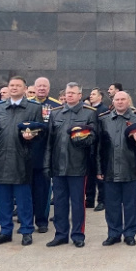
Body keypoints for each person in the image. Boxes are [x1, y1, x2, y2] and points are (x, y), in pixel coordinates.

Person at [0, 76, 45, 247]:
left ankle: (27, 230)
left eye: (18, 85)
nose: (14, 88)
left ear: (25, 89)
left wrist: (32, 136)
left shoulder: (34, 108)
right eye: (11, 85)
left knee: (23, 199)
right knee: (3, 199)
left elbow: (41, 132)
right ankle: (5, 231)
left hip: (22, 159)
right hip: (2, 158)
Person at [45, 83, 98, 248]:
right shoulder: (56, 113)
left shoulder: (89, 113)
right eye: (68, 93)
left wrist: (83, 139)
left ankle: (78, 235)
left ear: (80, 95)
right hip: (58, 166)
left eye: (73, 93)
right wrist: (47, 164)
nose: (69, 96)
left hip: (78, 166)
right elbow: (49, 142)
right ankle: (60, 234)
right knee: (59, 203)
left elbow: (94, 138)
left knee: (77, 203)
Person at [96, 91, 136, 246]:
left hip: (129, 168)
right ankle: (114, 233)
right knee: (111, 205)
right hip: (109, 169)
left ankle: (130, 234)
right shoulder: (104, 119)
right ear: (113, 101)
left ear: (128, 100)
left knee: (130, 204)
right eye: (117, 99)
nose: (119, 102)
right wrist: (98, 169)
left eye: (123, 99)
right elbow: (99, 147)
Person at [30, 77, 61, 233]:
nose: (41, 88)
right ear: (34, 88)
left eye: (44, 86)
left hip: (45, 156)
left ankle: (42, 222)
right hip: (27, 156)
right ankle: (27, 220)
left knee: (42, 191)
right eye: (39, 86)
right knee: (26, 192)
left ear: (49, 89)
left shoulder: (56, 106)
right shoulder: (26, 104)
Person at [85, 87, 108, 211]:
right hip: (89, 145)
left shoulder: (103, 110)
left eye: (93, 94)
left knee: (100, 176)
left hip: (100, 146)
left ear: (100, 97)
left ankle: (102, 200)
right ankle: (89, 199)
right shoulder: (88, 110)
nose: (91, 96)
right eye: (90, 94)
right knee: (89, 175)